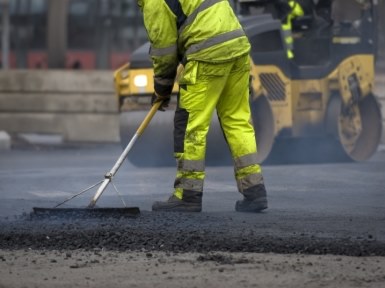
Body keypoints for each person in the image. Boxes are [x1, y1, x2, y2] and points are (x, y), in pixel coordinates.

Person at [137, 0, 268, 213]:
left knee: (191, 126)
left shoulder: (154, 2)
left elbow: (164, 50)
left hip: (207, 55)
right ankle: (254, 190)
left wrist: (162, 88)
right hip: (238, 48)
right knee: (237, 121)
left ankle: (188, 195)